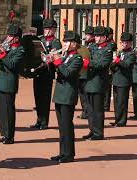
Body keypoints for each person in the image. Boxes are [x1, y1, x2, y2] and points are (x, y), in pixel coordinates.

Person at [50, 31, 83, 163]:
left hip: (68, 95)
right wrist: (50, 61)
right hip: (60, 94)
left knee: (67, 125)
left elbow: (68, 73)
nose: (64, 44)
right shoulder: (66, 57)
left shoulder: (77, 59)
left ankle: (69, 154)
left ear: (74, 44)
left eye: (67, 42)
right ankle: (62, 152)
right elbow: (58, 70)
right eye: (64, 41)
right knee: (61, 126)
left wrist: (57, 61)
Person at [0, 24, 25, 144]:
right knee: (1, 110)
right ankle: (4, 133)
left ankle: (10, 136)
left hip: (9, 83)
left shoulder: (20, 50)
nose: (8, 38)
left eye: (11, 36)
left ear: (17, 38)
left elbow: (12, 65)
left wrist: (2, 53)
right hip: (0, 82)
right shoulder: (7, 47)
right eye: (8, 35)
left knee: (8, 110)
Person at [30, 19, 62, 130]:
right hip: (38, 71)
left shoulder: (56, 42)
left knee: (45, 98)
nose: (46, 31)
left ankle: (44, 122)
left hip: (47, 73)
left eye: (48, 29)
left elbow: (56, 55)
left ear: (54, 30)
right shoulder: (41, 39)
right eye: (45, 28)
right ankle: (39, 120)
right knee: (37, 97)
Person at [82, 26, 113, 140]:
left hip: (99, 82)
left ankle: (98, 133)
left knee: (98, 110)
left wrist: (88, 63)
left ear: (104, 37)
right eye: (96, 36)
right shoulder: (92, 47)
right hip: (89, 81)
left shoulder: (108, 50)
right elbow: (84, 54)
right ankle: (92, 129)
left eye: (99, 36)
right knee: (90, 110)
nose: (96, 38)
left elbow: (102, 64)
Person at [110, 31, 135, 126]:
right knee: (116, 102)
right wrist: (113, 63)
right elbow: (114, 65)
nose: (124, 44)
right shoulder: (120, 53)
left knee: (122, 102)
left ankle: (121, 121)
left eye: (126, 42)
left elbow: (127, 65)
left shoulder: (131, 54)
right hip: (116, 79)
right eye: (123, 42)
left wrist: (118, 61)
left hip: (124, 80)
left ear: (130, 43)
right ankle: (117, 119)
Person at [77, 26, 96, 119]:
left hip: (87, 72)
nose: (86, 36)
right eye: (86, 34)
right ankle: (85, 111)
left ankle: (87, 112)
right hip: (82, 72)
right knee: (82, 94)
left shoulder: (93, 46)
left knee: (85, 95)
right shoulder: (87, 45)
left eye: (88, 35)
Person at [104, 27, 117, 111]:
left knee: (107, 88)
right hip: (104, 65)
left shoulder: (112, 44)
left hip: (110, 66)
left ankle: (106, 105)